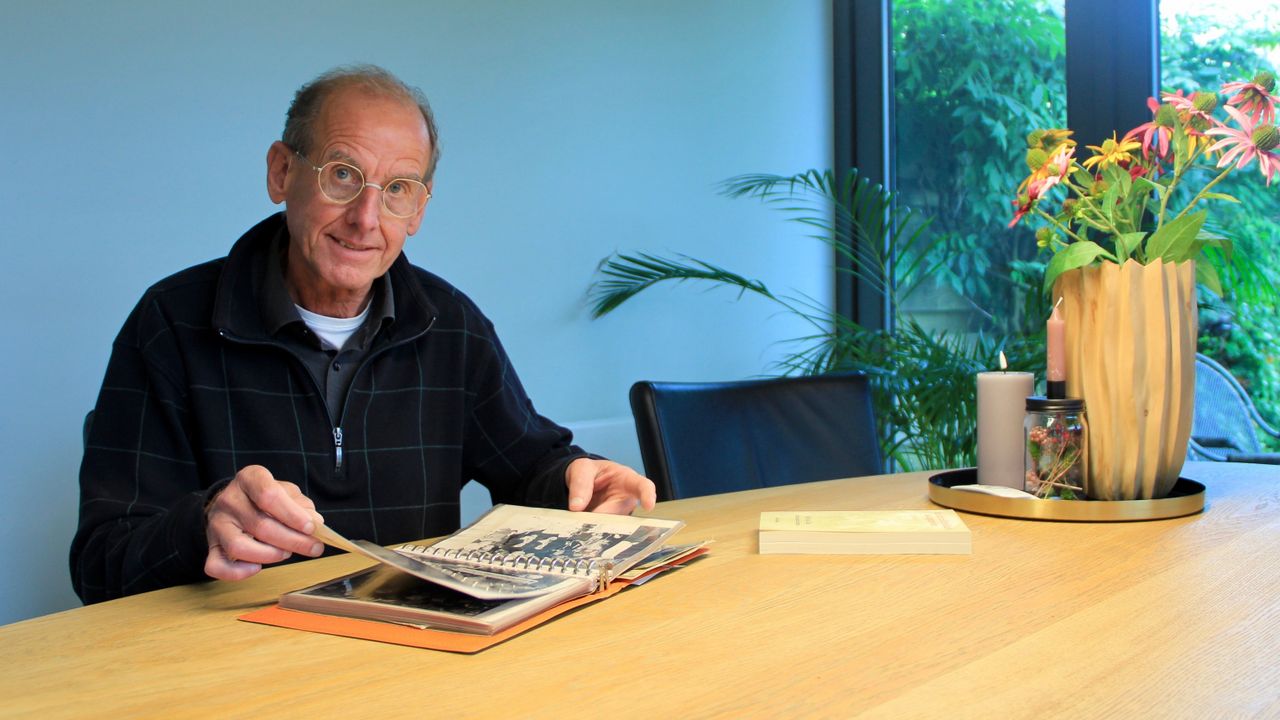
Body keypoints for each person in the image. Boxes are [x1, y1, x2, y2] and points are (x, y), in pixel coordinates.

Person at [70, 65, 656, 604]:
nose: (366, 218)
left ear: (419, 211)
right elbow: (100, 565)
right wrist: (203, 526)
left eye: (398, 188)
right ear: (281, 172)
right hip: (240, 669)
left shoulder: (449, 323)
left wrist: (583, 480)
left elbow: (532, 466)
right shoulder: (172, 321)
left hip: (419, 650)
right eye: (343, 175)